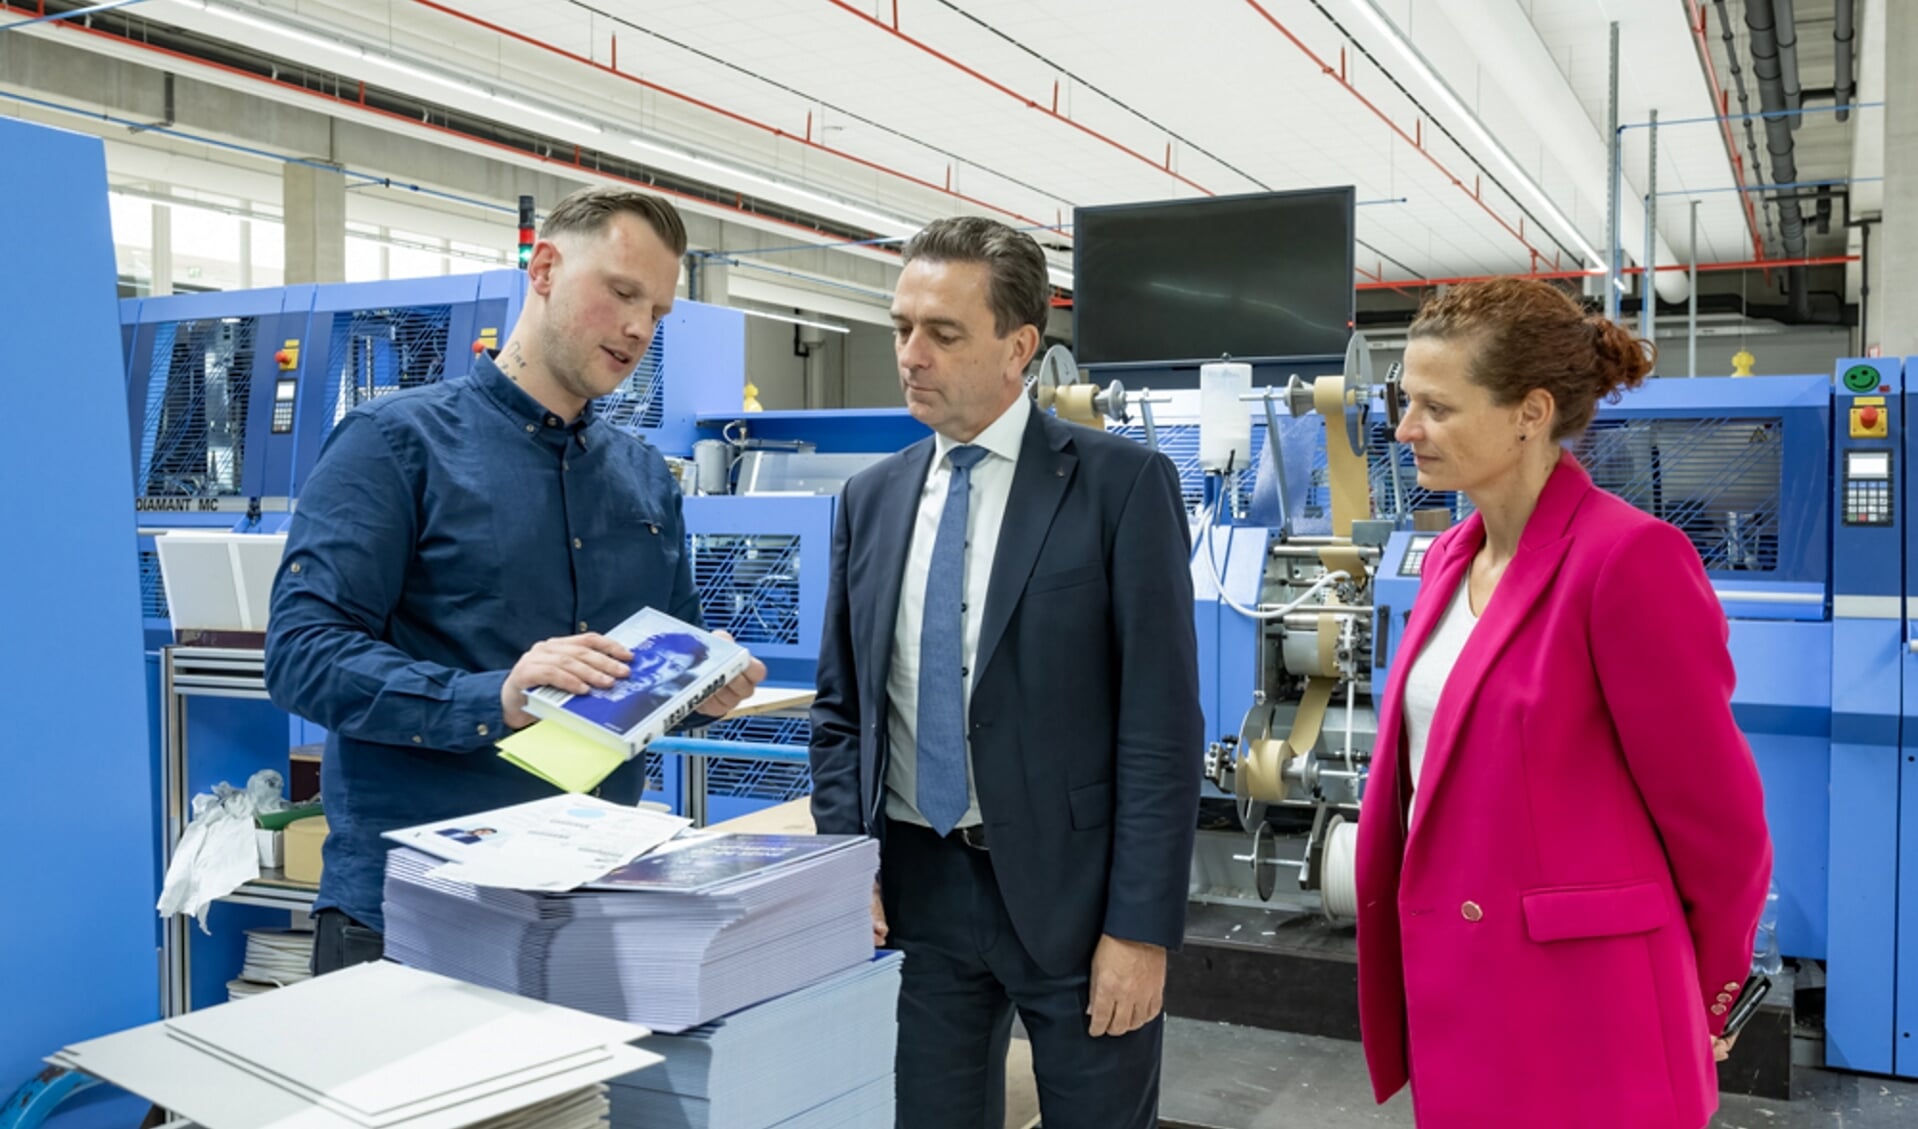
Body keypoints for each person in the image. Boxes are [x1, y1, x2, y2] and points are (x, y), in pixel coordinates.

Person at [266, 185, 765, 975]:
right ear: (544, 269)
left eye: (658, 312)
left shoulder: (644, 479)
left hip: (589, 903)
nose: (639, 328)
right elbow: (302, 654)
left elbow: (662, 668)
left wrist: (700, 691)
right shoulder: (394, 445)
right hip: (420, 913)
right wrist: (495, 696)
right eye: (622, 292)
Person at [809, 216, 1203, 1129]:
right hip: (916, 894)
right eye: (902, 326)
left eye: (943, 333)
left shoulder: (1120, 487)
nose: (911, 354)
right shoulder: (870, 500)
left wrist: (1140, 929)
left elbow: (1161, 728)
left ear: (1019, 347)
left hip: (1077, 898)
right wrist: (844, 863)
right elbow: (842, 714)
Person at [1355, 277, 1772, 1128]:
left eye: (1436, 406)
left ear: (1529, 412)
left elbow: (1720, 823)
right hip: (1463, 987)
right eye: (1405, 401)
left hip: (1587, 1008)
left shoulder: (1627, 561)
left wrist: (1714, 992)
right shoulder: (1448, 559)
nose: (1405, 430)